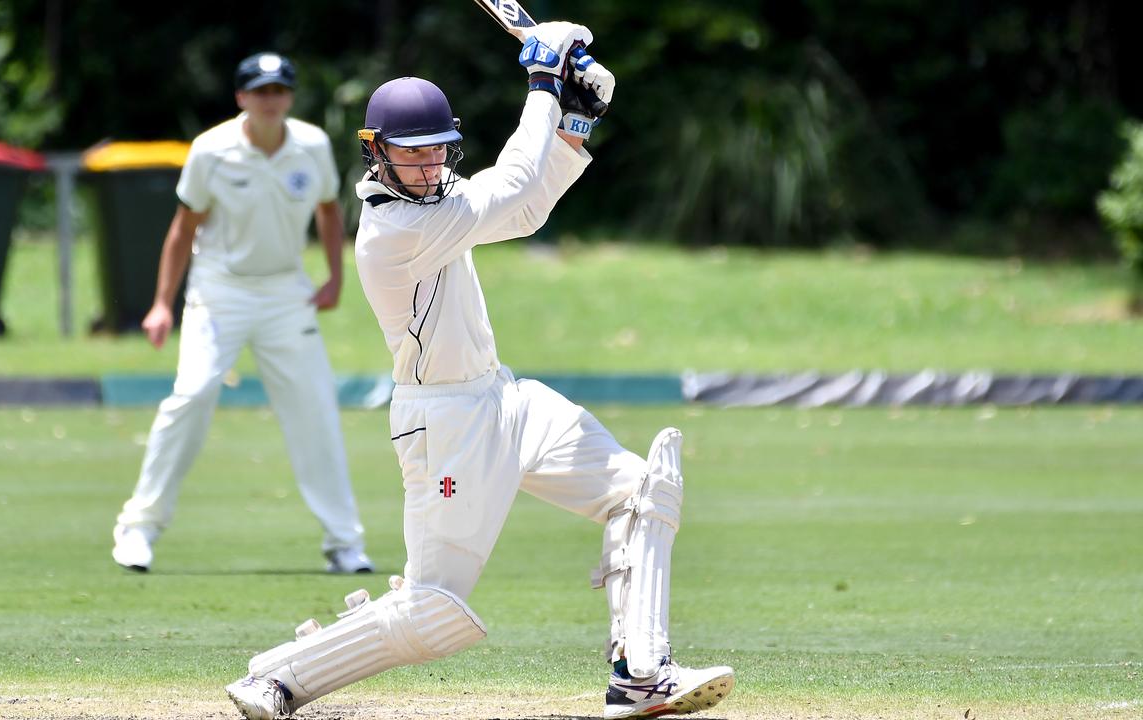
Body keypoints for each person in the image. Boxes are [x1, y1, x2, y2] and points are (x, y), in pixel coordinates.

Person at [224, 23, 734, 720]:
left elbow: (522, 208)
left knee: (641, 492)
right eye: (414, 155)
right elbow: (515, 180)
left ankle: (639, 676)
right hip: (445, 424)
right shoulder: (391, 231)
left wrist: (575, 123)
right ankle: (278, 679)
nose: (431, 168)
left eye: (440, 152)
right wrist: (543, 86)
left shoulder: (436, 203)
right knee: (435, 610)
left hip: (504, 397)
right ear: (376, 155)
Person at [110, 52, 372, 575]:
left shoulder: (312, 145)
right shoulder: (211, 150)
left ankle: (344, 543)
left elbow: (327, 211)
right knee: (194, 393)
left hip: (285, 292)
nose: (270, 100)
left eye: (278, 91)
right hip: (220, 290)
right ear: (241, 98)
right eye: (260, 91)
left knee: (316, 407)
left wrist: (336, 278)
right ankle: (138, 528)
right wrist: (163, 303)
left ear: (290, 97)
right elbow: (184, 228)